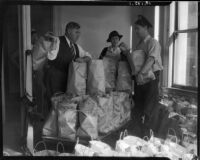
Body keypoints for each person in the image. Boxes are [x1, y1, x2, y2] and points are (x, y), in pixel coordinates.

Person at [131, 15, 163, 133]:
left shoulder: (153, 42)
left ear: (145, 28)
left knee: (149, 108)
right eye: (135, 29)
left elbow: (151, 59)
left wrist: (141, 74)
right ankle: (138, 134)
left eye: (137, 28)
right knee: (138, 105)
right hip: (140, 79)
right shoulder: (139, 45)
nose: (136, 31)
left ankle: (148, 135)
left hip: (151, 79)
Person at [44, 22, 92, 99]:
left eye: (79, 32)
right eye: (76, 32)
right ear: (69, 31)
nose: (78, 35)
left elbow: (89, 56)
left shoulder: (76, 47)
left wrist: (83, 60)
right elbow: (50, 58)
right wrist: (51, 44)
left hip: (68, 81)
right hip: (55, 80)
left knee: (65, 105)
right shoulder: (57, 41)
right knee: (54, 104)